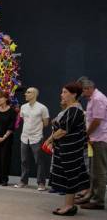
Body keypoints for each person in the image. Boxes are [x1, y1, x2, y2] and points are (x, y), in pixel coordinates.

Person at [50, 82, 90, 216]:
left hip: (71, 149)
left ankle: (68, 206)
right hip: (67, 149)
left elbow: (63, 130)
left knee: (70, 176)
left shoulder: (75, 110)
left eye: (65, 92)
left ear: (74, 94)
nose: (62, 94)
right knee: (69, 177)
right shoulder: (70, 109)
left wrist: (49, 140)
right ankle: (69, 205)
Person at [77, 79, 107, 210]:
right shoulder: (92, 99)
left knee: (99, 171)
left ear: (88, 88)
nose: (81, 93)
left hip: (100, 139)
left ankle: (98, 201)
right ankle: (92, 195)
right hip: (95, 139)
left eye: (81, 90)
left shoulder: (98, 99)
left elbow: (97, 120)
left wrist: (86, 134)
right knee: (94, 171)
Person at [15, 87, 50, 191]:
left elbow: (46, 123)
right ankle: (23, 181)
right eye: (26, 92)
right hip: (24, 137)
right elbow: (22, 119)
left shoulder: (42, 108)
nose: (25, 94)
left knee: (39, 161)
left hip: (36, 137)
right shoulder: (23, 107)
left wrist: (36, 130)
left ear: (34, 94)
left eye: (28, 92)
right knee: (24, 161)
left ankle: (41, 183)